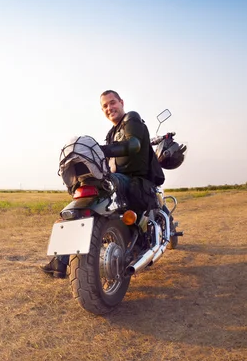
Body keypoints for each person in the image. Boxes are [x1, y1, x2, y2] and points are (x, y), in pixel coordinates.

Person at [41, 90, 159, 278]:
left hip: (127, 181)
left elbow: (134, 144)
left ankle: (60, 261)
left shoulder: (131, 119)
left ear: (121, 102)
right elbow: (134, 146)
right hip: (131, 181)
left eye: (112, 103)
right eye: (104, 106)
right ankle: (141, 243)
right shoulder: (114, 132)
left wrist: (99, 150)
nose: (109, 108)